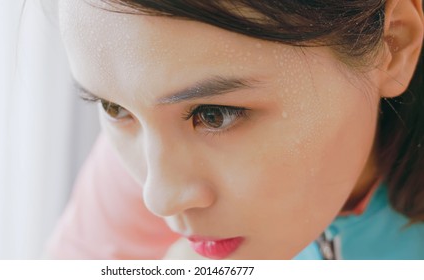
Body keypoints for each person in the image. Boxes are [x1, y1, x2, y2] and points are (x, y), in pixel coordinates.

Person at [46, 0, 424, 259]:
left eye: (214, 115)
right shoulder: (148, 140)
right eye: (113, 107)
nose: (159, 199)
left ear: (392, 44)